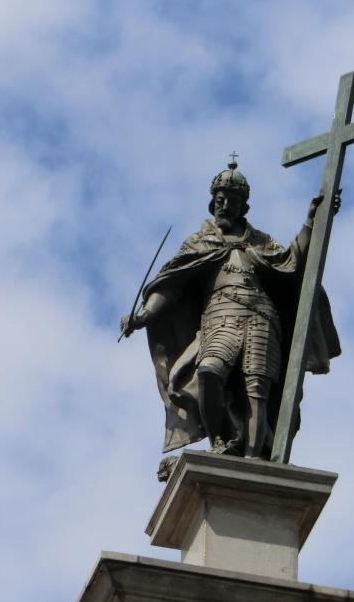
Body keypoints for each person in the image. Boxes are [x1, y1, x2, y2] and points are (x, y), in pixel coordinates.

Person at [121, 160, 341, 459]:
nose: (225, 206)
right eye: (221, 200)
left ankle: (253, 457)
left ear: (243, 207)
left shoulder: (261, 242)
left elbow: (292, 262)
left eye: (233, 201)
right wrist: (143, 316)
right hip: (219, 317)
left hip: (262, 317)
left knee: (257, 389)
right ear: (213, 203)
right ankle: (219, 442)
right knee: (209, 371)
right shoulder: (199, 243)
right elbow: (171, 286)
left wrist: (311, 222)